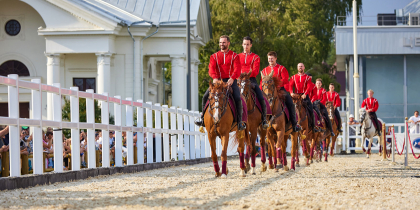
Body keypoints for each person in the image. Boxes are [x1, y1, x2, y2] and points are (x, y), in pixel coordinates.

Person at [195, 35, 246, 131]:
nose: (222, 44)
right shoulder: (214, 56)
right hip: (218, 81)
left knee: (237, 97)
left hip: (231, 81)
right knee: (205, 96)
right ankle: (202, 119)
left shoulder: (234, 56)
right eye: (220, 42)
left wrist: (232, 78)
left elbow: (237, 69)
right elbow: (211, 69)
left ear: (228, 43)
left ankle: (239, 122)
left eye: (224, 42)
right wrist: (214, 78)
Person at [260, 51, 301, 132]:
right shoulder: (264, 70)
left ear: (275, 58)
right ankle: (261, 123)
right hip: (267, 92)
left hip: (280, 90)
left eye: (272, 58)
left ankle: (294, 124)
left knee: (291, 104)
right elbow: (262, 82)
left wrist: (276, 87)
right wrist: (261, 90)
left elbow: (285, 80)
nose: (270, 60)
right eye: (269, 59)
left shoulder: (281, 68)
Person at [238, 36, 269, 129]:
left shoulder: (256, 57)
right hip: (239, 80)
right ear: (242, 45)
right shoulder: (237, 56)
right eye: (244, 44)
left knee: (261, 96)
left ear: (251, 45)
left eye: (248, 44)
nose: (246, 46)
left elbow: (255, 71)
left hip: (251, 80)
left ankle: (264, 119)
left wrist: (246, 74)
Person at [289, 63, 318, 132]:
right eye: (299, 66)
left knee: (311, 109)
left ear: (304, 67)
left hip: (304, 96)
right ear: (297, 68)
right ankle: (289, 125)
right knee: (289, 107)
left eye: (301, 66)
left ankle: (313, 126)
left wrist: (305, 94)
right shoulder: (293, 77)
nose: (300, 68)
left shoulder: (307, 77)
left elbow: (309, 86)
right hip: (296, 96)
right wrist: (291, 92)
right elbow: (290, 85)